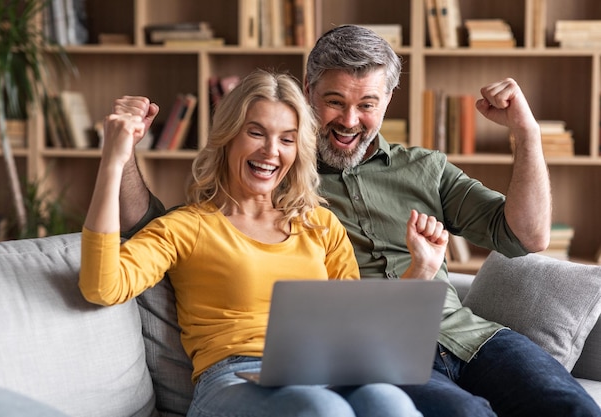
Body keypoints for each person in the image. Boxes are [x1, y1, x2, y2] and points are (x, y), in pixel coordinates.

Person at [116, 26, 601, 416]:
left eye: (366, 104)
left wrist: (526, 133)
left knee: (571, 406)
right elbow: (162, 228)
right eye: (334, 101)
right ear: (308, 93)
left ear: (387, 101)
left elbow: (528, 235)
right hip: (380, 352)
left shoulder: (425, 167)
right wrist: (123, 150)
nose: (350, 120)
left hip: (469, 334)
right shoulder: (277, 177)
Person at [79, 69, 450, 417]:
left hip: (319, 371)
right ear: (227, 138)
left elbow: (356, 337)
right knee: (323, 410)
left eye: (287, 139)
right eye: (256, 133)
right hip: (231, 380)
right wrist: (115, 158)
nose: (271, 151)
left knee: (388, 401)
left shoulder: (319, 225)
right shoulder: (185, 227)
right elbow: (102, 287)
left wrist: (422, 269)